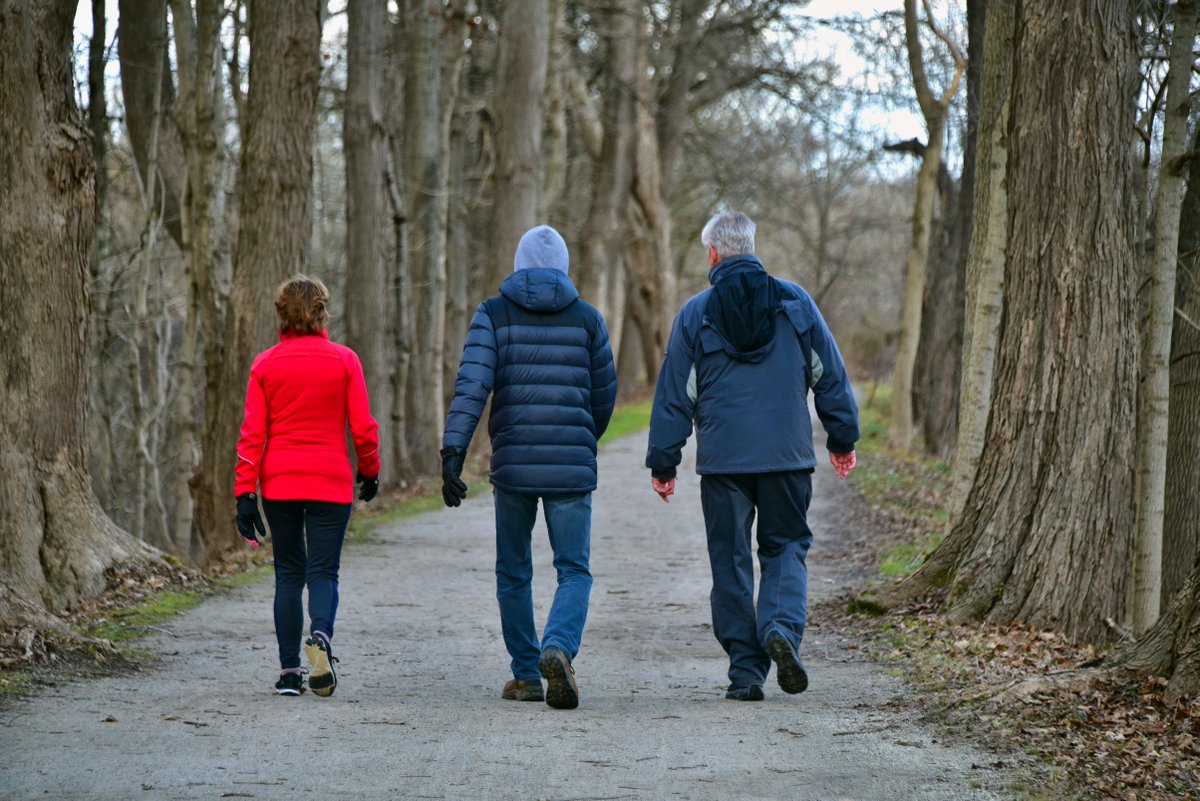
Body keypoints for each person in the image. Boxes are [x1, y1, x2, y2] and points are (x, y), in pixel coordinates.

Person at [645, 211, 859, 702]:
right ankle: (781, 627)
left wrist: (664, 461)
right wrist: (842, 438)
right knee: (785, 546)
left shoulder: (695, 313)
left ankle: (745, 672)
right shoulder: (795, 301)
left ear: (713, 253)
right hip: (787, 456)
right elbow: (829, 374)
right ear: (750, 246)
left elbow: (675, 393)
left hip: (724, 464)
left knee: (731, 560)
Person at [441, 225, 616, 710]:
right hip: (571, 468)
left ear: (519, 266)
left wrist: (453, 448)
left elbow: (473, 384)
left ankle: (526, 674)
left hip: (514, 465)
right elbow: (604, 397)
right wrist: (581, 439)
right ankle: (557, 646)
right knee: (573, 570)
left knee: (513, 571)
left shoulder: (493, 314)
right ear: (562, 266)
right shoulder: (587, 319)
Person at [234, 275, 380, 697]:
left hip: (279, 484)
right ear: (322, 312)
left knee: (288, 573)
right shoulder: (344, 360)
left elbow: (251, 435)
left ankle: (289, 672)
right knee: (323, 571)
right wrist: (370, 469)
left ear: (281, 313)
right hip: (330, 483)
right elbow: (364, 429)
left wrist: (244, 493)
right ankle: (322, 636)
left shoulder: (264, 366)